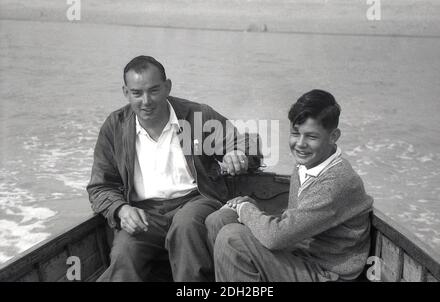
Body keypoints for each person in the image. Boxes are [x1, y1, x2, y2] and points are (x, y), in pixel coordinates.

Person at [86, 55, 258, 282]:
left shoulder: (198, 116)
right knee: (125, 251)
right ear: (126, 92)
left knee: (186, 225)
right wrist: (121, 210)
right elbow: (100, 186)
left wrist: (237, 154)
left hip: (196, 201)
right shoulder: (114, 126)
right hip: (144, 212)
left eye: (154, 90)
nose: (146, 101)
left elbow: (244, 143)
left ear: (167, 87)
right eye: (137, 93)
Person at [206, 89, 374, 282]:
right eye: (295, 133)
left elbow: (275, 237)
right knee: (219, 220)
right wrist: (245, 205)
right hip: (299, 253)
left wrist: (245, 208)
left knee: (232, 238)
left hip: (326, 272)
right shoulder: (307, 164)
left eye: (311, 137)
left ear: (333, 136)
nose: (300, 144)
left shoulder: (336, 183)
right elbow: (291, 224)